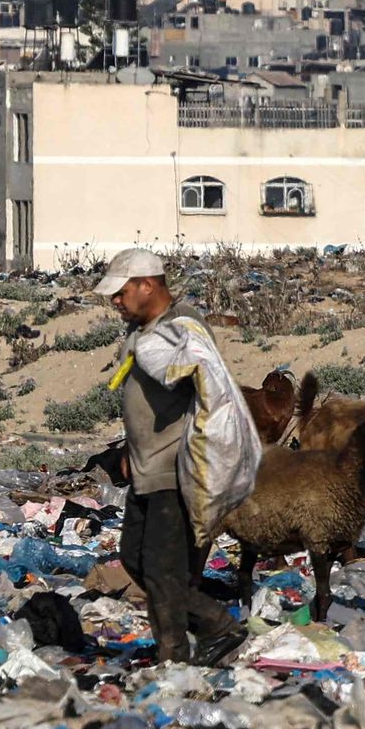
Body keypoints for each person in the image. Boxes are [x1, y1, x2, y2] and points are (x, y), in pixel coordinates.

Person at [96, 246, 249, 667]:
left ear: (147, 285)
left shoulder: (183, 326)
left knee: (165, 573)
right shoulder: (143, 331)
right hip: (146, 469)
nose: (115, 301)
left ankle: (184, 652)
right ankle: (209, 631)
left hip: (175, 470)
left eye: (121, 291)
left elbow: (210, 389)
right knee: (134, 558)